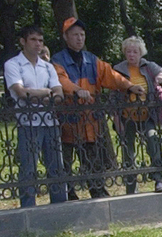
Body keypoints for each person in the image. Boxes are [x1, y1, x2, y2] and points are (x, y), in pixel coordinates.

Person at [51, 17, 143, 199]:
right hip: (67, 122)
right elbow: (60, 80)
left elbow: (111, 75)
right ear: (65, 37)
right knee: (66, 160)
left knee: (93, 159)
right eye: (75, 35)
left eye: (82, 35)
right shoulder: (57, 60)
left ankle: (97, 190)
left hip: (89, 121)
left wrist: (129, 86)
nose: (79, 38)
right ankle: (68, 193)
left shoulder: (91, 60)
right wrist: (77, 90)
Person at [3, 25, 67, 207]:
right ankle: (28, 206)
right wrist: (46, 93)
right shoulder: (13, 65)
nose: (38, 44)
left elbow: (59, 93)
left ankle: (59, 203)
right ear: (23, 42)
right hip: (27, 122)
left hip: (50, 121)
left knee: (56, 166)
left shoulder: (47, 67)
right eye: (33, 40)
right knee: (28, 167)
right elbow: (20, 92)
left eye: (40, 40)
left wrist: (41, 95)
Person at [112, 36, 162, 194]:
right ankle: (131, 186)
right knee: (128, 151)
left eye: (135, 52)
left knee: (153, 142)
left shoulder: (148, 66)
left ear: (140, 53)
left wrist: (161, 76)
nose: (132, 55)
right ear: (125, 53)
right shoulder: (118, 69)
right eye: (129, 51)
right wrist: (117, 119)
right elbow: (113, 95)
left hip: (147, 116)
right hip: (127, 117)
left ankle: (158, 179)